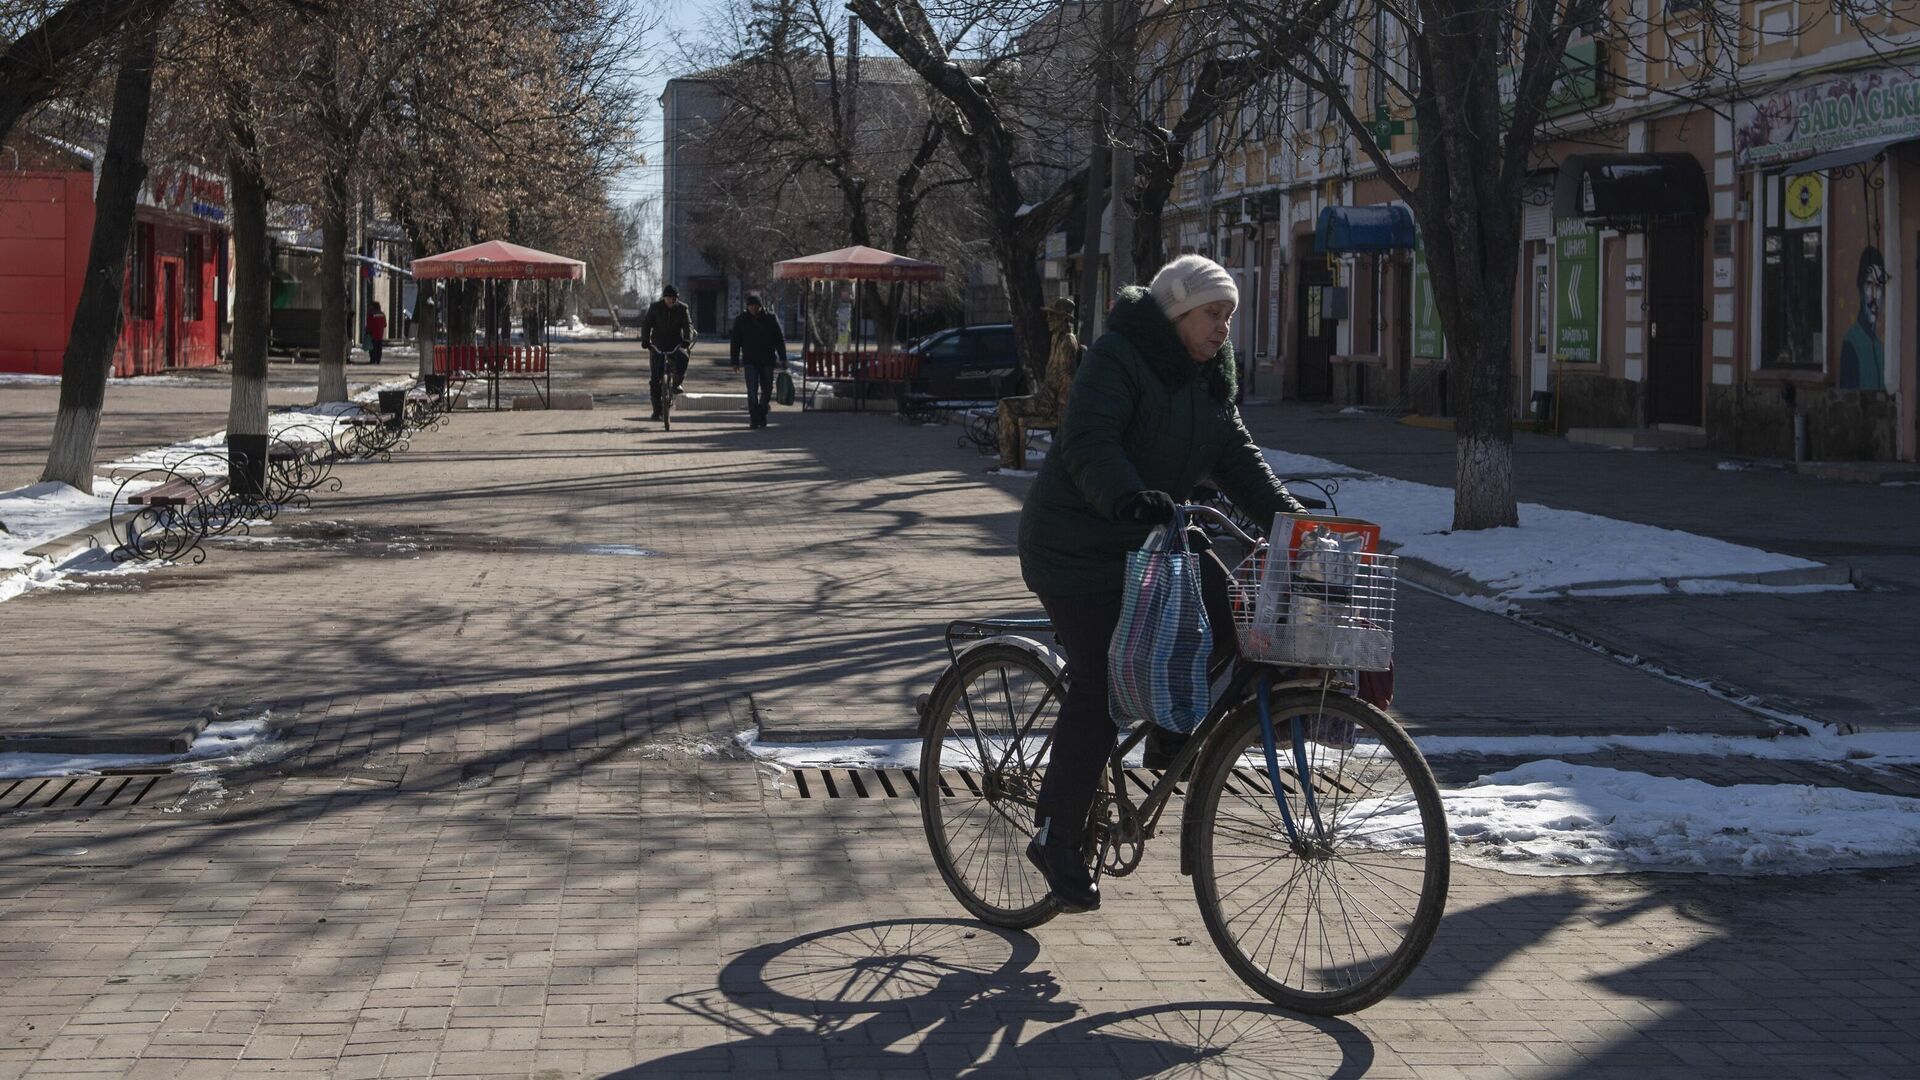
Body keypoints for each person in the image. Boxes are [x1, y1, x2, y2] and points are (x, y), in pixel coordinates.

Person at [1016, 254, 1307, 913]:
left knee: (1229, 609)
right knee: (1100, 675)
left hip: (1153, 541)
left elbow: (1239, 461)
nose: (1223, 329)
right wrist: (1126, 497)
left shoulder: (1209, 381)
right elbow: (1088, 440)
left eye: (1230, 317)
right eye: (1214, 314)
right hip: (1077, 547)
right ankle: (1056, 837)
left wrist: (1295, 521)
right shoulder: (1119, 356)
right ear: (1177, 311)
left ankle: (1171, 730)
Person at [996, 297, 1080, 470]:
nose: (1048, 319)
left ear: (1063, 319)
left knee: (1006, 405)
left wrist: (1063, 412)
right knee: (1007, 405)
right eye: (1049, 315)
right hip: (1045, 398)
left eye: (1053, 316)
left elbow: (1067, 378)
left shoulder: (1067, 342)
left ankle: (1009, 463)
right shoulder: (1056, 338)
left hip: (1050, 404)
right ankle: (1011, 463)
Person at [730, 293, 788, 428]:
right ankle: (754, 418)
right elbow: (735, 342)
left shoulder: (770, 319)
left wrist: (783, 357)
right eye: (751, 306)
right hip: (750, 360)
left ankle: (761, 412)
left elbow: (779, 340)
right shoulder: (741, 320)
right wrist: (734, 361)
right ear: (747, 307)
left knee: (767, 389)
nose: (753, 308)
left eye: (756, 306)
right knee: (752, 389)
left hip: (767, 360)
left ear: (761, 306)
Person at [641, 285, 694, 419]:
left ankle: (677, 382)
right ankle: (657, 410)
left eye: (674, 298)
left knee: (684, 357)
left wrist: (687, 339)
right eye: (669, 297)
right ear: (664, 297)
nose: (671, 300)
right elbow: (646, 324)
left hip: (675, 344)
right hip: (658, 346)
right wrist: (646, 341)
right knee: (655, 380)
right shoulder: (655, 308)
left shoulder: (682, 309)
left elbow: (688, 325)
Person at [1839, 246, 1887, 392]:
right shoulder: (1851, 343)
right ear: (1860, 288)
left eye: (1879, 286)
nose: (1874, 295)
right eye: (1869, 284)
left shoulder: (1879, 347)